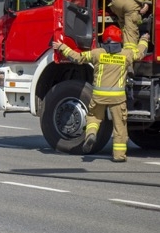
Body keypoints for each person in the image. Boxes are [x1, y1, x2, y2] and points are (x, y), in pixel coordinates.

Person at [53, 26, 149, 162]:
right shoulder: (126, 54)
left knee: (93, 118)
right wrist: (144, 39)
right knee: (119, 126)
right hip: (117, 98)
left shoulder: (97, 53)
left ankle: (91, 134)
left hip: (98, 96)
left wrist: (62, 47)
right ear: (119, 40)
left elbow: (78, 58)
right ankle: (119, 155)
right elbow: (140, 53)